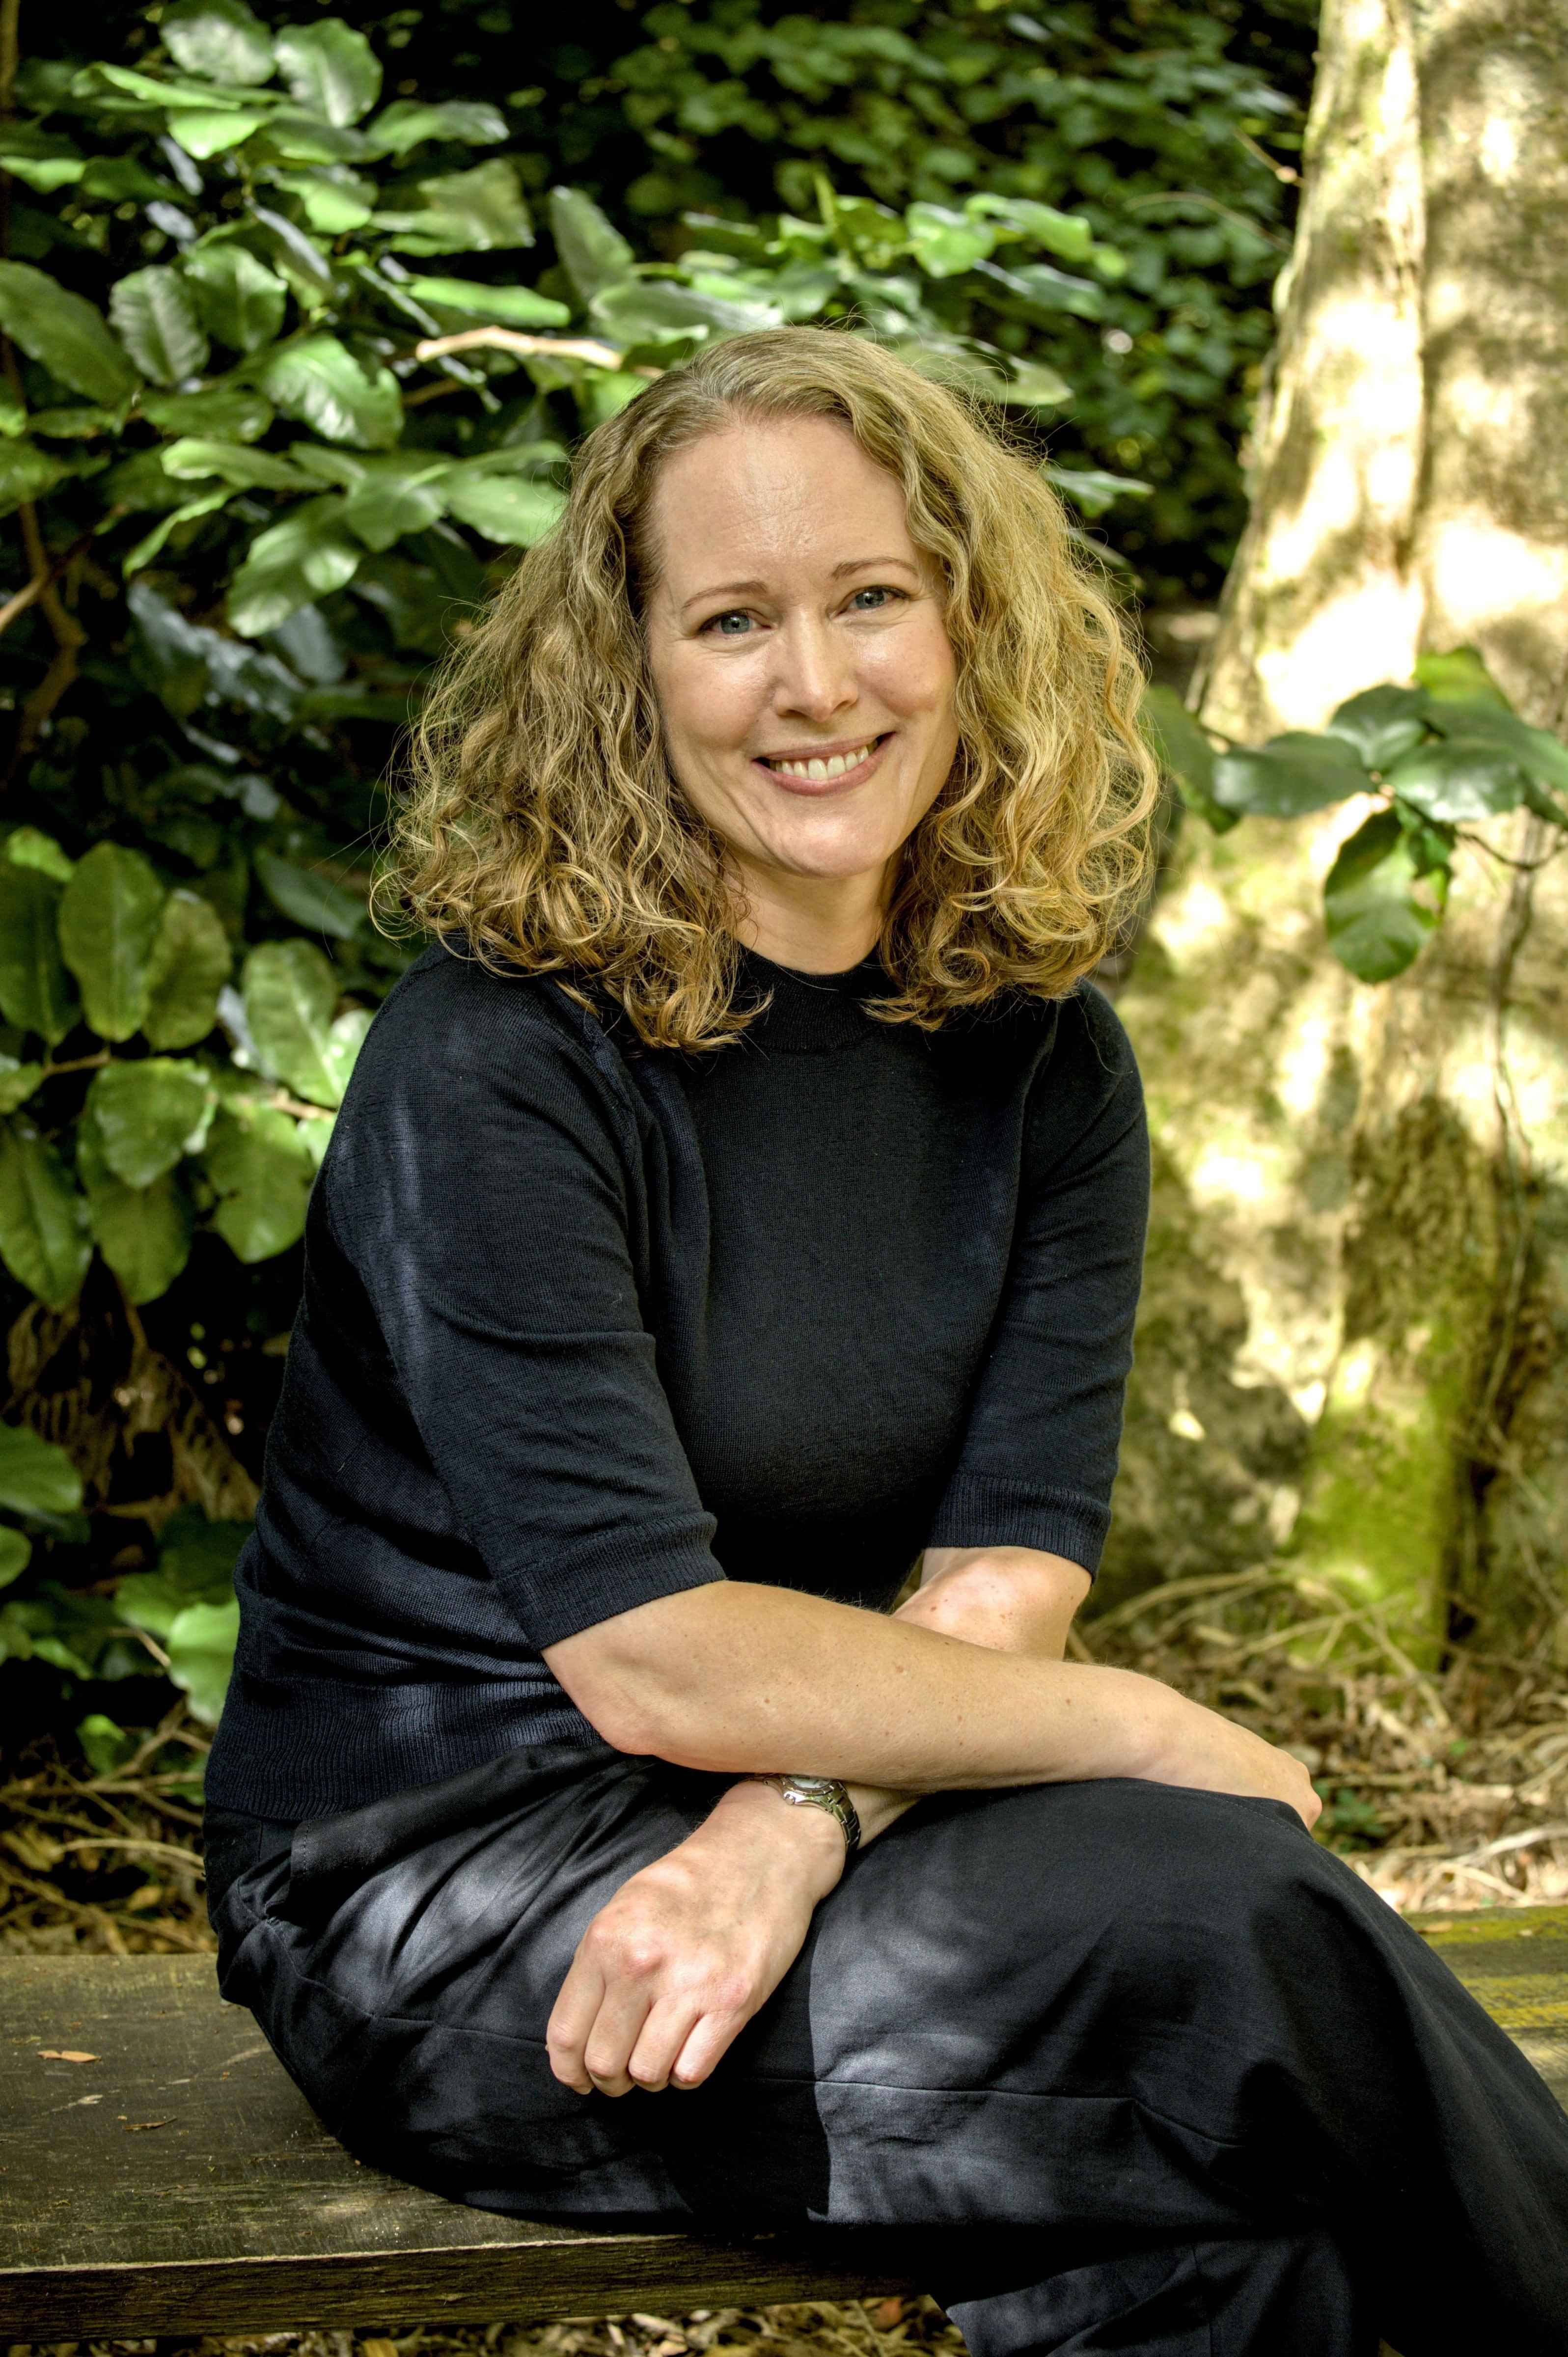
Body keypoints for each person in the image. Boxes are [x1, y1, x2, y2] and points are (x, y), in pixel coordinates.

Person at [204, 328, 1568, 2357]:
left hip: (814, 1829)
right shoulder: (495, 1065)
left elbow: (1002, 1574)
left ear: (969, 625)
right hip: (457, 1898)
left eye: (871, 600)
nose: (817, 685)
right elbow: (652, 1652)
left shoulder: (1039, 1063)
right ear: (628, 673)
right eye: (733, 618)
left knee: (1248, 2232)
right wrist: (1139, 1727)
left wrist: (794, 1827)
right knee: (1234, 1929)